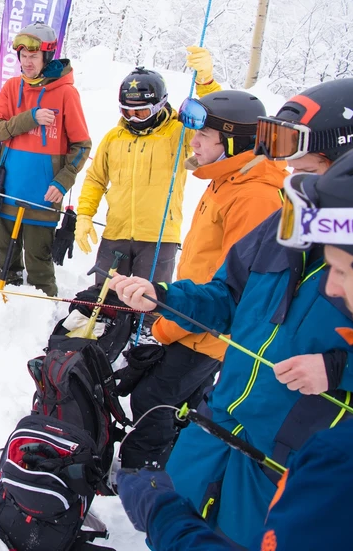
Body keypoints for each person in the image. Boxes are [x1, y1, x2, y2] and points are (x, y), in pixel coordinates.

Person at [109, 78, 353, 546]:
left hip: (283, 469)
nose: (287, 172)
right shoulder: (285, 224)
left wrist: (341, 367)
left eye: (303, 163)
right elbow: (227, 296)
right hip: (216, 429)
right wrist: (164, 296)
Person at [117, 87, 289, 470]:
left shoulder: (253, 197)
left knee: (152, 398)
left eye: (202, 136)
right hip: (192, 319)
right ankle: (176, 464)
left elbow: (233, 288)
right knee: (183, 401)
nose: (192, 142)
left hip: (207, 330)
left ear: (231, 142)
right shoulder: (227, 181)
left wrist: (166, 329)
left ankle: (140, 475)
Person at [76, 51, 221, 285]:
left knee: (148, 304)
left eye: (141, 112)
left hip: (159, 238)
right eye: (126, 111)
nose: (132, 118)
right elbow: (95, 179)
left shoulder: (179, 133)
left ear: (159, 105)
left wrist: (206, 84)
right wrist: (84, 215)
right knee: (105, 299)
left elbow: (214, 122)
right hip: (116, 234)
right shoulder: (114, 138)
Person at [0, 22, 91, 296]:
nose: (26, 62)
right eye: (22, 56)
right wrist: (30, 118)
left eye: (33, 56)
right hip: (8, 188)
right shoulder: (11, 87)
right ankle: (2, 310)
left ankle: (41, 312)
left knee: (38, 262)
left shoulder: (66, 93)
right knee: (6, 257)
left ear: (47, 56)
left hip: (44, 194)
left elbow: (82, 145)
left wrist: (63, 180)